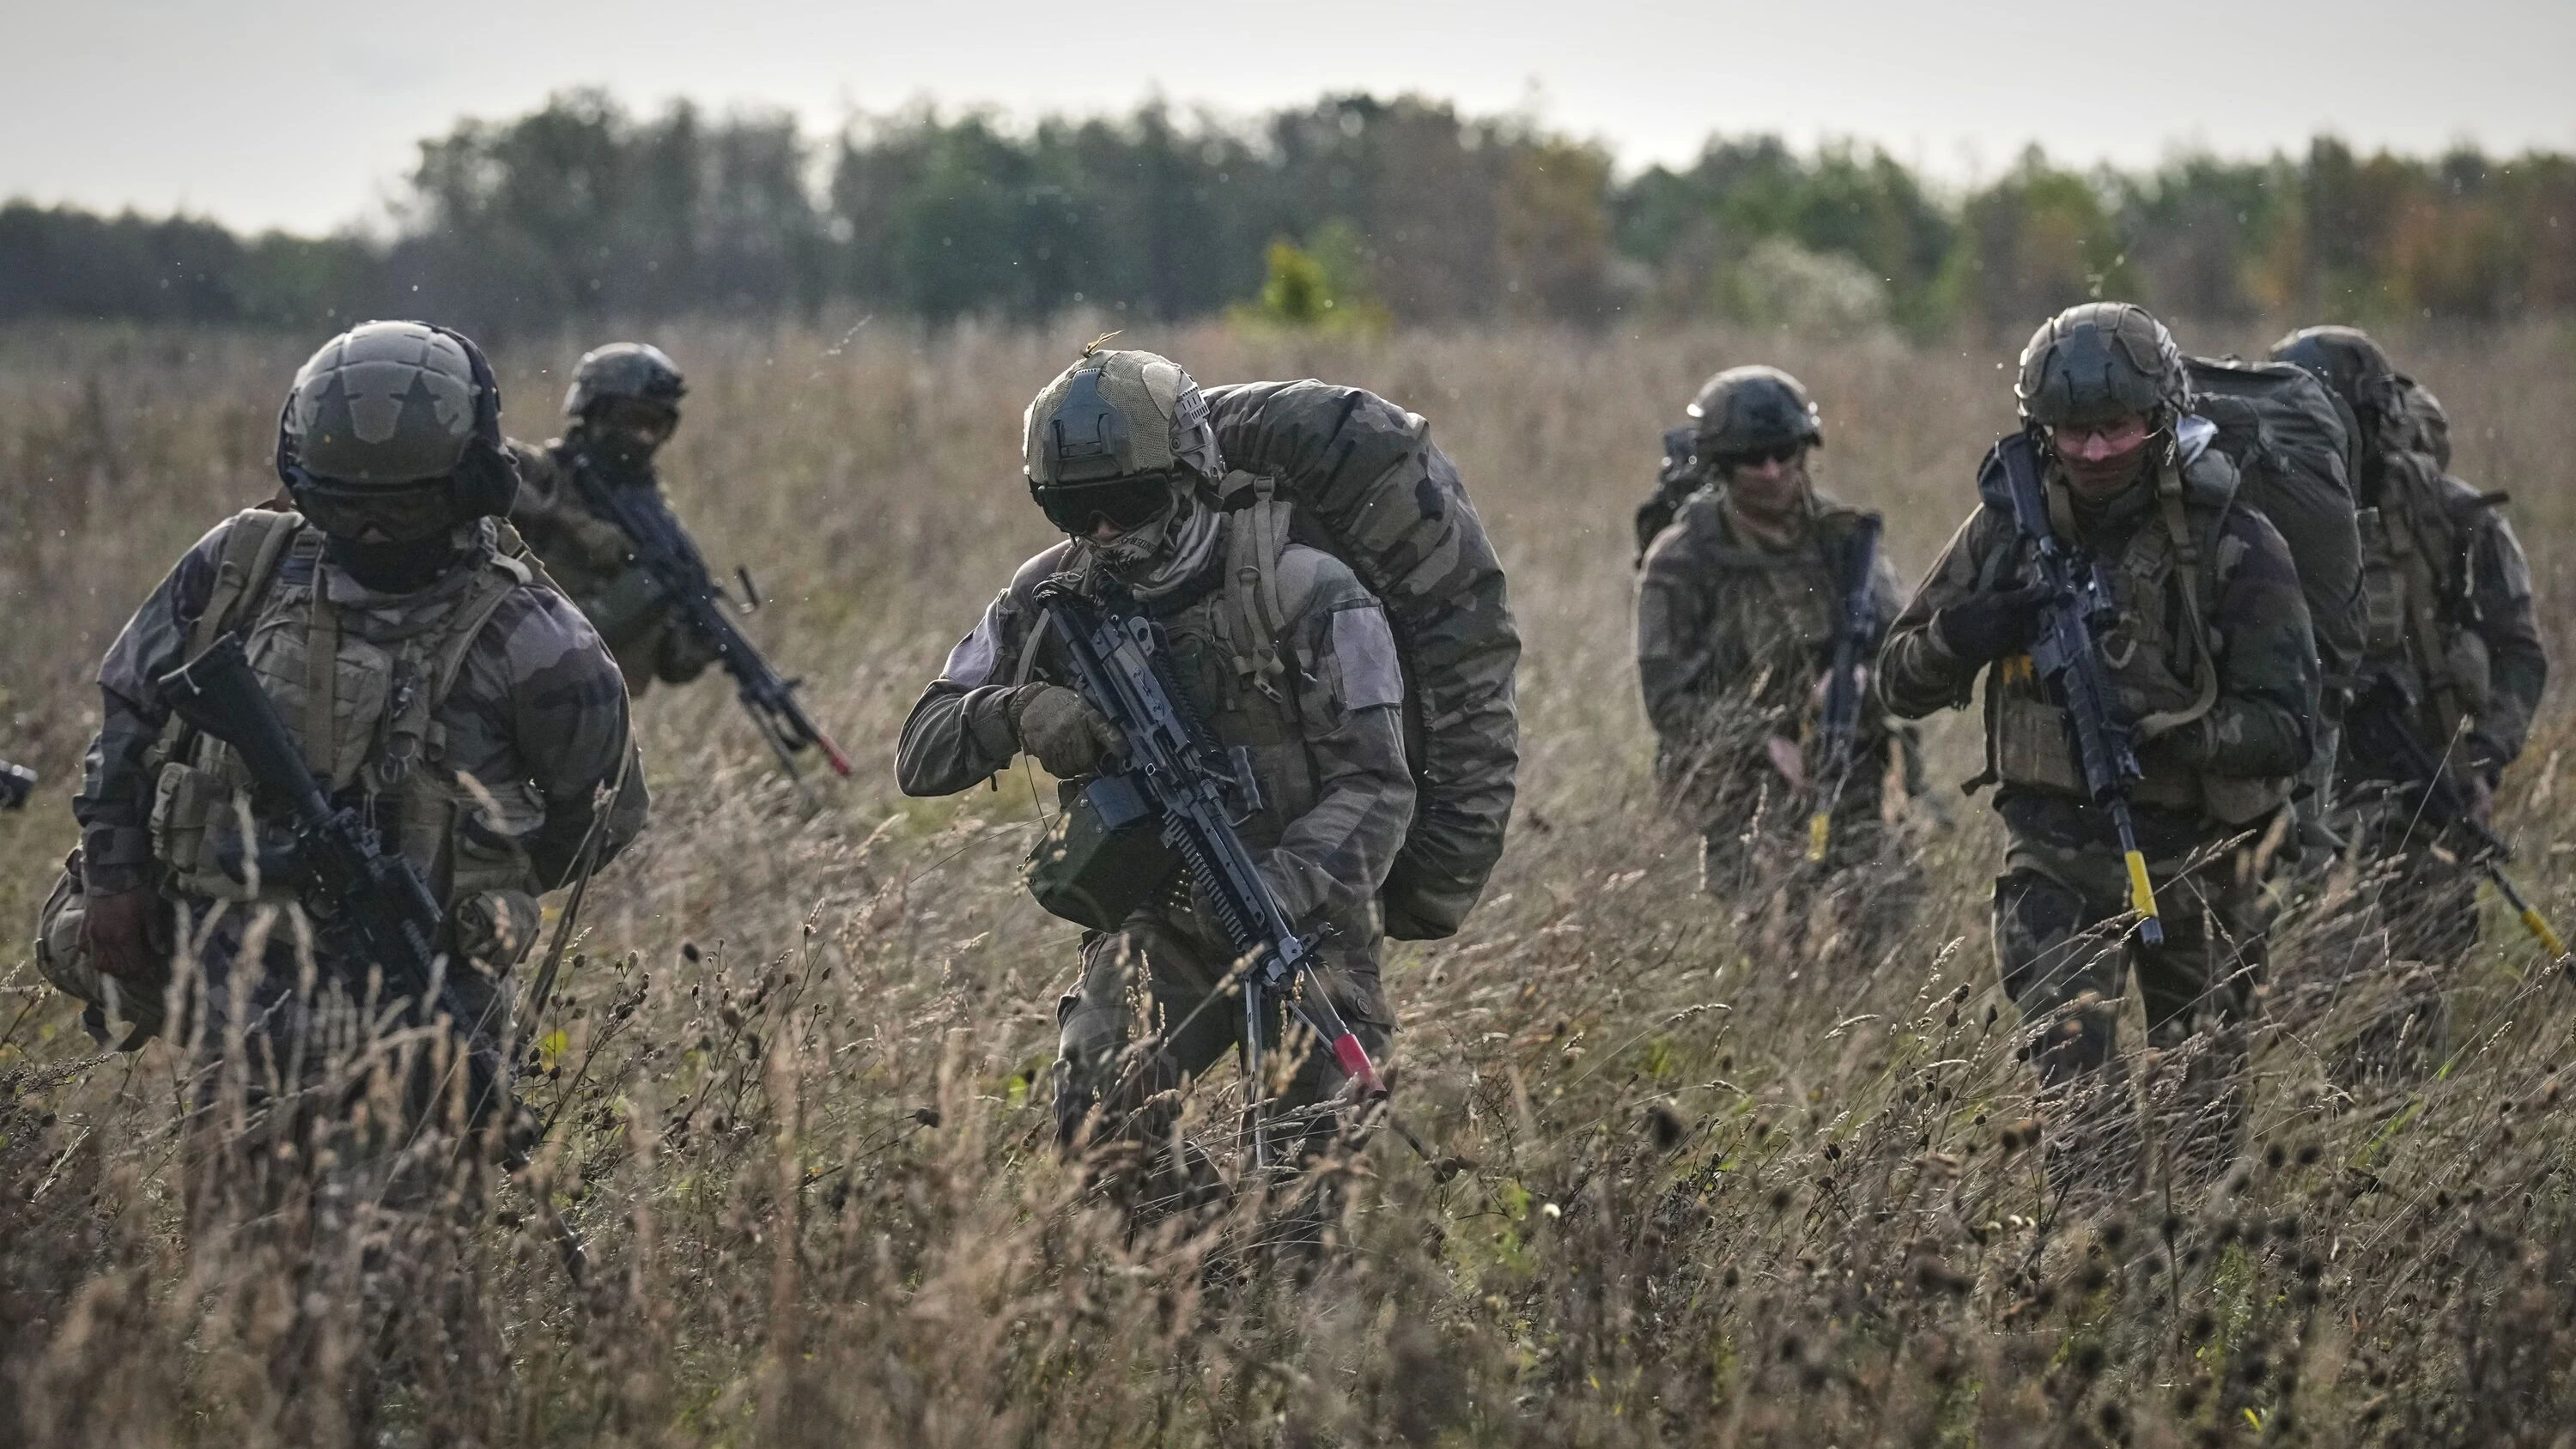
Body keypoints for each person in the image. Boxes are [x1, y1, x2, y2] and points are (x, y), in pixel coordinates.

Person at [64, 320, 647, 1439]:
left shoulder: (540, 643)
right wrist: (118, 875)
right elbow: (128, 717)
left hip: (421, 1018)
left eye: (403, 503)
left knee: (407, 1300)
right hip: (237, 1012)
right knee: (248, 1288)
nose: (374, 527)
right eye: (346, 500)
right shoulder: (240, 567)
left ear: (472, 484)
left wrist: (466, 883)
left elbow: (597, 818)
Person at [896, 345, 1413, 1175]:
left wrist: (1276, 888)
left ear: (1189, 474)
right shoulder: (1049, 598)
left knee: (1306, 1197)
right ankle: (1195, 1273)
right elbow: (919, 753)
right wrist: (1020, 713)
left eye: (1129, 500)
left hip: (1302, 928)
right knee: (1099, 1125)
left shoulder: (1306, 591)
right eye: (1076, 509)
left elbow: (1380, 787)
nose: (1103, 531)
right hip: (1155, 928)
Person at [1879, 303, 2318, 1197]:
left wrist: (2169, 730)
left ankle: (2192, 1290)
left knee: (2203, 1118)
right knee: (2080, 1105)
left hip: (2204, 857)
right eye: (2071, 431)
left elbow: (2288, 725)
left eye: (2113, 427)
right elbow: (1896, 680)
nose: (2091, 452)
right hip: (2056, 855)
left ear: (2158, 418)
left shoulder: (2231, 539)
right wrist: (1964, 635)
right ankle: (2095, 1275)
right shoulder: (2006, 526)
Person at [2269, 326, 2546, 1082]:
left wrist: (2484, 759)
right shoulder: (2262, 520)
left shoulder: (2451, 520)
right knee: (2298, 1004)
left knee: (2414, 999)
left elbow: (2519, 652)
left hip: (2425, 792)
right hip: (2301, 807)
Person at [1633, 366, 1919, 960]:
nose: (1770, 471)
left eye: (1783, 454)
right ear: (1721, 464)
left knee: (1883, 909)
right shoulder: (1682, 561)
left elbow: (1905, 648)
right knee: (1756, 938)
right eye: (1751, 458)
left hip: (1847, 766)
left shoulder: (1844, 540)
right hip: (1739, 784)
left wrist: (1861, 678)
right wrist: (1763, 739)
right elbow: (1668, 702)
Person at [507, 342, 722, 694]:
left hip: (590, 704)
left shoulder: (652, 516)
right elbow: (479, 470)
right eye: (634, 421)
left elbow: (671, 663)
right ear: (596, 414)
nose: (644, 437)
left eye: (657, 425)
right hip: (516, 680)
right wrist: (576, 525)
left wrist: (697, 637)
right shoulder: (545, 475)